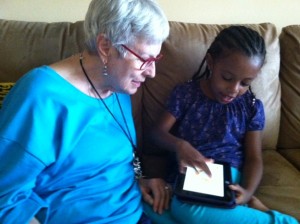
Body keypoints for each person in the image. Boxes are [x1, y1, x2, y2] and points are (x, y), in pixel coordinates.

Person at [0, 0, 169, 223]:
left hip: (137, 213)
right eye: (144, 59)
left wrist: (140, 178)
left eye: (155, 59)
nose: (152, 73)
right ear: (105, 47)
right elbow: (6, 200)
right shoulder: (40, 98)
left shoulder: (119, 86)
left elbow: (113, 158)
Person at [142, 26, 298, 224]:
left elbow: (254, 158)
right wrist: (180, 145)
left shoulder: (251, 107)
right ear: (210, 62)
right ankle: (244, 215)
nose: (233, 89)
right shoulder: (186, 94)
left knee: (186, 209)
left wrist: (248, 192)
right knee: (147, 206)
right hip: (188, 174)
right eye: (227, 78)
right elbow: (156, 133)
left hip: (228, 174)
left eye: (245, 83)